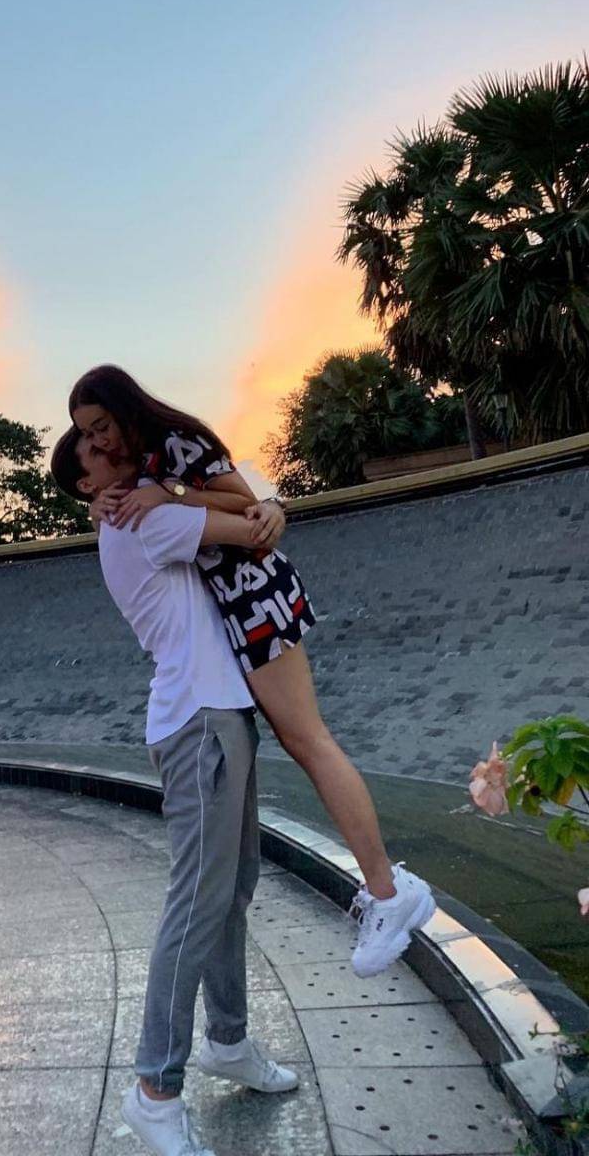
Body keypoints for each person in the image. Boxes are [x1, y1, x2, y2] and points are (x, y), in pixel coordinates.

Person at [68, 365, 435, 979]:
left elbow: (250, 504)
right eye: (88, 434)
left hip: (253, 591)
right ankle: (387, 890)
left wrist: (173, 495)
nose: (99, 440)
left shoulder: (179, 442)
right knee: (302, 740)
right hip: (236, 602)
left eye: (102, 425)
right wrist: (106, 503)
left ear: (125, 409)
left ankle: (388, 892)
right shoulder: (147, 462)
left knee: (308, 739)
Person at [50, 427, 300, 1156]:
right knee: (196, 903)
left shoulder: (147, 508)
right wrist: (266, 508)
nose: (113, 449)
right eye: (95, 454)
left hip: (219, 715)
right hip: (197, 724)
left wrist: (259, 501)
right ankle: (154, 1090)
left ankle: (228, 1040)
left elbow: (248, 498)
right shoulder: (142, 521)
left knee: (231, 890)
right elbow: (250, 521)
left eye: (109, 437)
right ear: (88, 487)